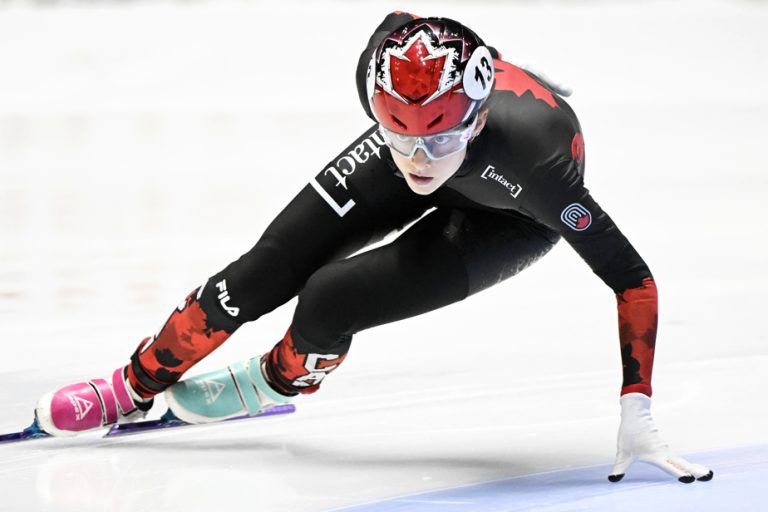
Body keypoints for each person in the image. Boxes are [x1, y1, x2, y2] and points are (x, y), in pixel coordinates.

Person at [34, 12, 712, 483]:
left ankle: (278, 379)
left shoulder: (539, 160)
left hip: (507, 216)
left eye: (439, 139)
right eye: (399, 132)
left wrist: (637, 406)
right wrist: (427, 122)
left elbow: (633, 279)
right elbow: (402, 25)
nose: (420, 159)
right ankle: (132, 385)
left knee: (329, 298)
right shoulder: (389, 72)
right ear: (377, 103)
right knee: (259, 272)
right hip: (431, 147)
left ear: (475, 116)